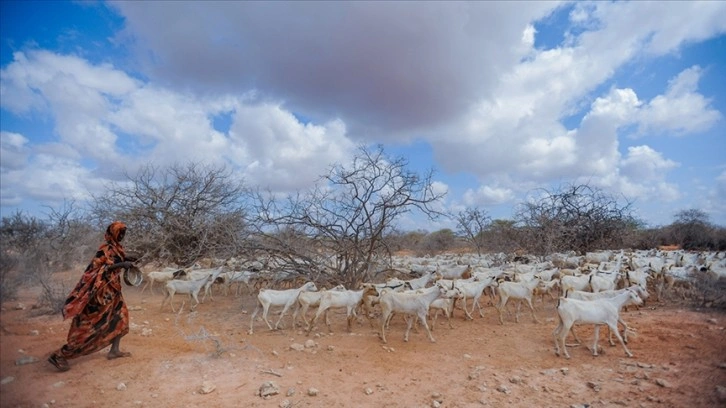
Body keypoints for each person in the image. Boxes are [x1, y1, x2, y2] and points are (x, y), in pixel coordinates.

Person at [48, 221, 136, 372]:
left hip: (113, 292)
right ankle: (60, 355)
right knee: (91, 327)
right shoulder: (104, 249)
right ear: (113, 234)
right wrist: (121, 265)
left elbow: (115, 260)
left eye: (124, 234)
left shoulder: (117, 249)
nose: (122, 236)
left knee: (121, 317)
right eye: (120, 233)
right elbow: (99, 268)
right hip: (100, 295)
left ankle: (114, 350)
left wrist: (126, 259)